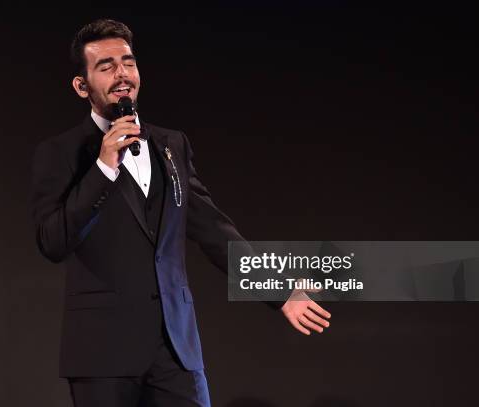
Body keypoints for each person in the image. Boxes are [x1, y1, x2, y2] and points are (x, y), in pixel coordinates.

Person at [31, 18, 331, 407]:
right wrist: (104, 167)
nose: (122, 73)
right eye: (106, 66)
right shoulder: (60, 153)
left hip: (176, 350)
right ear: (81, 85)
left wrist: (280, 291)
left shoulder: (172, 145)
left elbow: (213, 230)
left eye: (128, 62)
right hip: (102, 355)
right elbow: (53, 241)